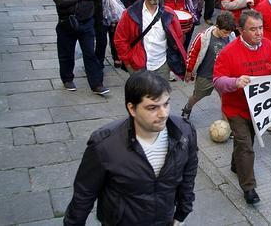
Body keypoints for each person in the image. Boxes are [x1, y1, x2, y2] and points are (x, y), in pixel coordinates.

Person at [64, 70, 198, 226]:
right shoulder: (104, 145)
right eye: (152, 108)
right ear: (132, 108)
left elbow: (189, 172)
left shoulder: (184, 132)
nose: (163, 114)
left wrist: (182, 211)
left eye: (166, 104)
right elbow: (83, 195)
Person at [213, 9, 271, 204]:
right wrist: (234, 82)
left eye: (261, 28)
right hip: (236, 109)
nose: (259, 33)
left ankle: (236, 165)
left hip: (259, 108)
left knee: (246, 141)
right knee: (246, 146)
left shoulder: (268, 45)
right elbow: (217, 81)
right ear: (240, 30)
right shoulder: (228, 53)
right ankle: (249, 188)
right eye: (253, 29)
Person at [50, 0, 108, 95]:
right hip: (66, 22)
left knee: (90, 53)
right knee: (66, 53)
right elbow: (60, 1)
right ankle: (67, 79)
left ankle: (96, 84)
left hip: (86, 21)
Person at [114, 0, 187, 78]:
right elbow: (120, 40)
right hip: (137, 66)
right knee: (141, 94)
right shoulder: (130, 14)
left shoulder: (169, 14)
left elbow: (178, 37)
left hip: (162, 65)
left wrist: (170, 61)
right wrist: (127, 62)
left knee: (161, 93)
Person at [182, 11, 237, 119]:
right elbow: (192, 54)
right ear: (217, 26)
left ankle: (227, 124)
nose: (226, 35)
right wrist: (189, 71)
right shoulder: (203, 37)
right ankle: (187, 108)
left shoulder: (231, 37)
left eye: (229, 32)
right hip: (206, 75)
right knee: (197, 96)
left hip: (222, 75)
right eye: (224, 32)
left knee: (226, 100)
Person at [94, 0, 126, 69]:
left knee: (116, 39)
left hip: (116, 18)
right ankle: (99, 61)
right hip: (101, 18)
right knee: (101, 41)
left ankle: (117, 58)